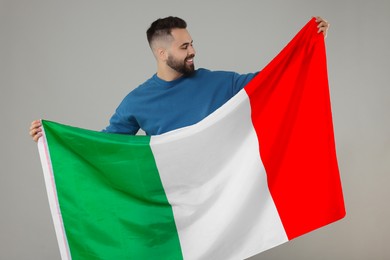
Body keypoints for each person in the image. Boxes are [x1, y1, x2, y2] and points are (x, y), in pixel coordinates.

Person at [30, 16, 329, 140]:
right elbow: (104, 146)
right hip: (172, 208)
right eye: (184, 46)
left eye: (192, 44)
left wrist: (306, 47)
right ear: (161, 53)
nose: (193, 51)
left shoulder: (219, 82)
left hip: (219, 201)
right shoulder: (137, 101)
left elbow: (272, 80)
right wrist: (55, 137)